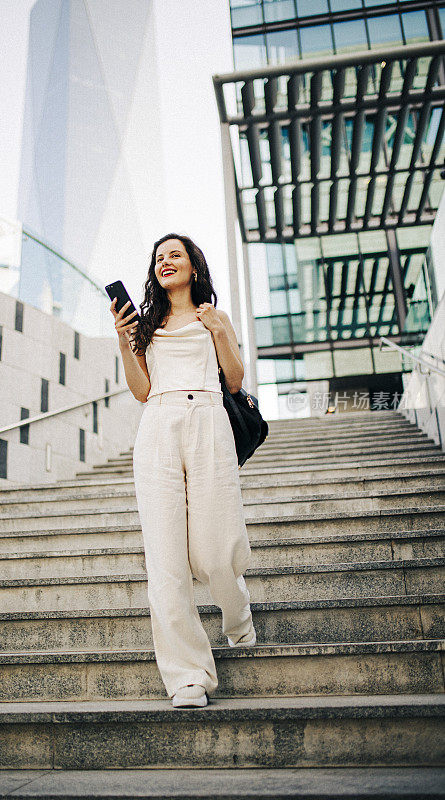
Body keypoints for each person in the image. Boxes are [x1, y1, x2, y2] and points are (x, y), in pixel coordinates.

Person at [110, 232, 256, 709]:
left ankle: (237, 616)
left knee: (216, 549)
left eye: (175, 254)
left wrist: (217, 330)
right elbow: (140, 390)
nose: (165, 262)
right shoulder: (145, 325)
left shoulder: (213, 316)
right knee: (166, 561)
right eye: (158, 258)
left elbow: (234, 380)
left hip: (209, 419)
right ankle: (187, 676)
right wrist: (125, 342)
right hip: (158, 426)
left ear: (194, 265)